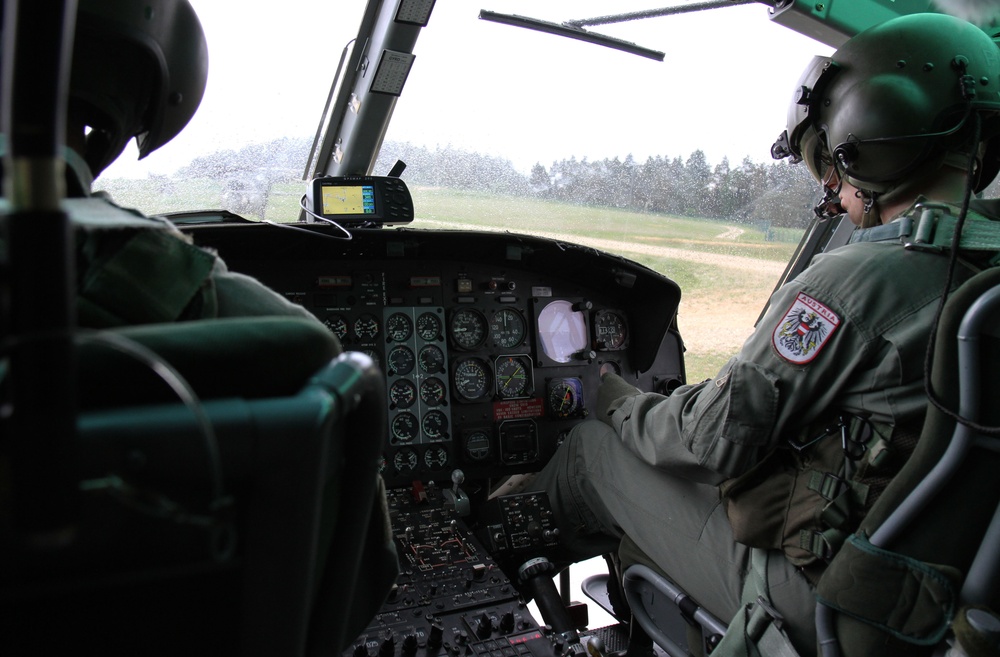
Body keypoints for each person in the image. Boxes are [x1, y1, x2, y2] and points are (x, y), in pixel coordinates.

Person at [530, 13, 1000, 656]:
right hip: (953, 609)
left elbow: (710, 440)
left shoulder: (862, 280)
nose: (832, 191)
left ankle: (459, 588)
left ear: (864, 135)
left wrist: (618, 402)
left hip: (834, 603)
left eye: (830, 165)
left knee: (589, 452)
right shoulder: (985, 275)